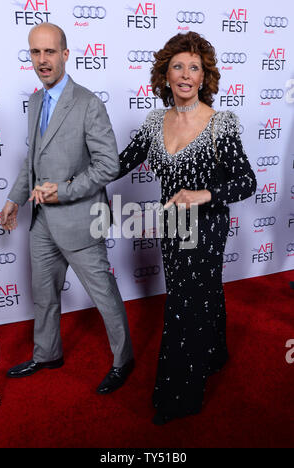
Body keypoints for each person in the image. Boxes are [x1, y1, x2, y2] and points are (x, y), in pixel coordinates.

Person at [118, 32, 257, 424]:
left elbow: (246, 181)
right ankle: (215, 354)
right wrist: (76, 180)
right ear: (165, 74)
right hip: (171, 227)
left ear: (203, 77)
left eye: (193, 68)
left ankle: (178, 397)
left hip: (208, 229)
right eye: (177, 66)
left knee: (184, 306)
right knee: (202, 294)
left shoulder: (219, 125)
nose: (185, 74)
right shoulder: (154, 122)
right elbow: (119, 163)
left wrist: (203, 193)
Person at [0, 23, 134, 393]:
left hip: (79, 219)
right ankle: (47, 354)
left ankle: (124, 360)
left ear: (65, 54)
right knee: (43, 295)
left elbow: (109, 165)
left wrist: (65, 190)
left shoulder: (89, 102)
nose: (42, 60)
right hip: (41, 220)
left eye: (49, 52)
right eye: (35, 52)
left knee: (103, 295)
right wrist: (13, 199)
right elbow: (34, 158)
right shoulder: (36, 100)